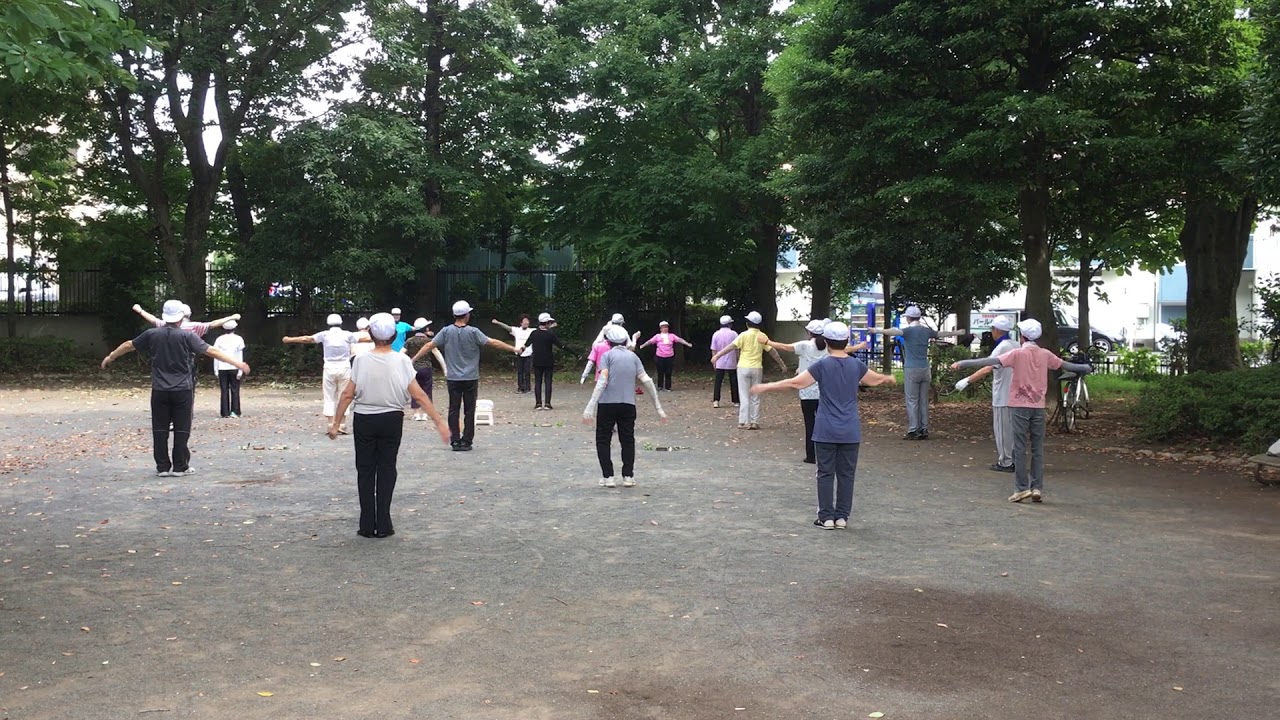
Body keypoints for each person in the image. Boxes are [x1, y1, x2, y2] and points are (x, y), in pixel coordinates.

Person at [751, 321, 896, 529]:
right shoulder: (856, 365)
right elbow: (874, 380)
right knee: (847, 474)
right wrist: (887, 378)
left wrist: (766, 387)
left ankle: (826, 517)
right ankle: (842, 517)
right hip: (850, 430)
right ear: (846, 341)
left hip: (826, 428)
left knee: (825, 473)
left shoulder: (822, 365)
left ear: (827, 342)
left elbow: (795, 383)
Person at [330, 313, 450, 538]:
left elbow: (347, 394)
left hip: (365, 418)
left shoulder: (361, 360)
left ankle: (366, 524)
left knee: (365, 471)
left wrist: (336, 423)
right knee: (387, 468)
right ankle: (384, 523)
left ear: (372, 335)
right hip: (392, 419)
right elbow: (419, 395)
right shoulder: (402, 361)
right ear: (394, 335)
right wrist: (439, 422)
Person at [101, 299, 251, 477]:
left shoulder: (152, 334)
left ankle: (163, 467)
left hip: (159, 389)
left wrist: (111, 357)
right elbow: (211, 351)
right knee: (182, 428)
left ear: (164, 317)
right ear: (181, 318)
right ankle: (180, 466)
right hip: (183, 389)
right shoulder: (188, 336)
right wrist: (238, 363)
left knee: (159, 429)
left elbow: (128, 345)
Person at [951, 319, 1093, 503]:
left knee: (1019, 447)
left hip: (1018, 405)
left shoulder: (1017, 354)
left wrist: (963, 363)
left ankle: (1021, 488)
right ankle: (1037, 488)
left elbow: (989, 361)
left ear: (1023, 336)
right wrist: (1086, 367)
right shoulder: (1045, 354)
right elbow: (1067, 365)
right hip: (1038, 406)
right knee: (1037, 448)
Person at [411, 300, 520, 451]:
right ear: (467, 315)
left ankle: (455, 440)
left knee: (453, 409)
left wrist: (414, 359)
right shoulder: (474, 332)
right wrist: (513, 348)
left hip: (453, 377)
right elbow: (493, 342)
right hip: (470, 377)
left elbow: (429, 345)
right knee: (470, 410)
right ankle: (467, 441)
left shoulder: (446, 331)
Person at [583, 325, 667, 488]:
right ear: (623, 340)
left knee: (603, 440)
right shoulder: (633, 357)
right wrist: (658, 408)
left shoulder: (606, 356)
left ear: (608, 341)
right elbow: (647, 381)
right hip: (628, 404)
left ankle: (608, 477)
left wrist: (590, 407)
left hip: (607, 404)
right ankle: (628, 476)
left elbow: (602, 381)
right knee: (628, 440)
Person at [867, 305, 968, 440]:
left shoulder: (908, 331)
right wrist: (959, 333)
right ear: (919, 317)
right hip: (925, 368)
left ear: (908, 318)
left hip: (911, 368)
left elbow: (893, 332)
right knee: (923, 400)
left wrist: (876, 330)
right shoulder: (926, 331)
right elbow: (941, 334)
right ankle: (924, 428)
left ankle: (913, 429)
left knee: (912, 400)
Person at [954, 315, 1019, 472]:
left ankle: (1006, 462)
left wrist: (967, 380)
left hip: (1002, 393)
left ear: (997, 330)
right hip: (1016, 393)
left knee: (1002, 430)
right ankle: (1014, 458)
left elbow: (988, 366)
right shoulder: (1016, 344)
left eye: (992, 329)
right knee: (1013, 429)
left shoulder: (1001, 347)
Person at [131, 302, 240, 396]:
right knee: (187, 388)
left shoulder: (163, 325)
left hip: (164, 361)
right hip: (186, 363)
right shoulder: (194, 327)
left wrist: (140, 310)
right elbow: (213, 324)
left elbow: (153, 319)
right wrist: (231, 317)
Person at [282, 314, 364, 435]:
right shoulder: (347, 334)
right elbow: (364, 339)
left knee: (329, 396)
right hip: (345, 368)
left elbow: (306, 339)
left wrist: (289, 339)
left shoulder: (324, 334)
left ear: (328, 323)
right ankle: (341, 424)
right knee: (344, 395)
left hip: (329, 368)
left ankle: (331, 423)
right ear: (341, 323)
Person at [708, 310, 787, 430]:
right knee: (756, 395)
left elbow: (731, 347)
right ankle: (754, 421)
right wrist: (782, 364)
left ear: (747, 323)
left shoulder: (743, 335)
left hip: (743, 367)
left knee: (744, 395)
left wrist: (717, 356)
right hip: (757, 368)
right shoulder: (762, 336)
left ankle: (743, 421)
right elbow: (772, 351)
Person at [521, 312, 571, 410]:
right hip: (548, 361)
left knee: (537, 382)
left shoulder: (534, 333)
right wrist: (573, 352)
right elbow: (561, 345)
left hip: (537, 361)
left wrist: (519, 351)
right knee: (548, 382)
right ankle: (547, 403)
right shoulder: (550, 334)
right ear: (547, 322)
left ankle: (538, 404)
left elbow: (526, 344)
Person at [402, 319, 447, 421]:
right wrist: (445, 369)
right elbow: (438, 355)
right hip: (426, 368)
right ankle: (426, 414)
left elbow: (401, 353)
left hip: (413, 370)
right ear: (425, 328)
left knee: (414, 391)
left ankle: (416, 413)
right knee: (427, 390)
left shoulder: (409, 341)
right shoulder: (428, 341)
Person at [638, 321, 694, 391]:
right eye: (663, 327)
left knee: (668, 372)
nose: (665, 329)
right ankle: (660, 386)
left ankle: (668, 387)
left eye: (666, 327)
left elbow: (680, 340)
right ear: (660, 329)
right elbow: (650, 341)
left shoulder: (672, 336)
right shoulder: (657, 336)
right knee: (660, 372)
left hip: (669, 357)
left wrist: (687, 344)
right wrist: (643, 346)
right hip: (659, 357)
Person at [493, 315, 535, 393]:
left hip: (528, 354)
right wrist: (498, 323)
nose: (526, 322)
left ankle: (528, 388)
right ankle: (520, 388)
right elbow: (507, 327)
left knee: (527, 372)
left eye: (527, 321)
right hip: (519, 354)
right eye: (524, 321)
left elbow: (542, 329)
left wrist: (550, 326)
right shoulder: (517, 330)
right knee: (520, 372)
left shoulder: (532, 331)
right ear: (521, 322)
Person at [213, 320, 245, 418]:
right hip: (234, 367)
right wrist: (240, 370)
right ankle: (235, 411)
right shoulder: (239, 339)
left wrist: (215, 369)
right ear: (235, 328)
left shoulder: (219, 339)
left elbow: (215, 355)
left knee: (224, 390)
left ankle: (224, 412)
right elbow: (240, 355)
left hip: (222, 367)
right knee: (235, 390)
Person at [709, 315, 740, 408]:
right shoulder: (734, 334)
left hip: (719, 362)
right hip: (732, 361)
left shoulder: (716, 334)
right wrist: (738, 359)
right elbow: (737, 348)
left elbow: (713, 349)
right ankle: (736, 401)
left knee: (718, 382)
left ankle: (716, 401)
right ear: (729, 324)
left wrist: (714, 360)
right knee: (733, 381)